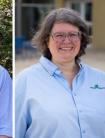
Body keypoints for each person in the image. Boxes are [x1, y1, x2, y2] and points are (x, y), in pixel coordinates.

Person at [15, 8, 105, 138]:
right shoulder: (25, 81)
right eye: (59, 35)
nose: (67, 41)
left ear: (81, 38)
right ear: (47, 40)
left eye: (73, 34)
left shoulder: (101, 79)